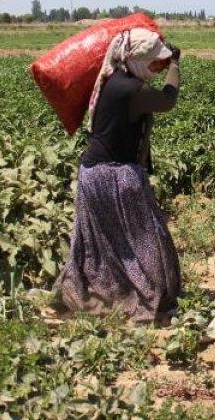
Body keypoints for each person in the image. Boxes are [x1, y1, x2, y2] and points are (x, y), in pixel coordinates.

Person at [54, 27, 182, 324]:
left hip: (95, 174)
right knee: (146, 243)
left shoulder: (113, 81)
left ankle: (107, 295)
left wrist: (167, 62)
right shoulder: (130, 89)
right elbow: (167, 100)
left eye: (160, 63)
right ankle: (145, 296)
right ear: (134, 60)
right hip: (114, 176)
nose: (156, 68)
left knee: (109, 245)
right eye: (154, 62)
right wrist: (175, 66)